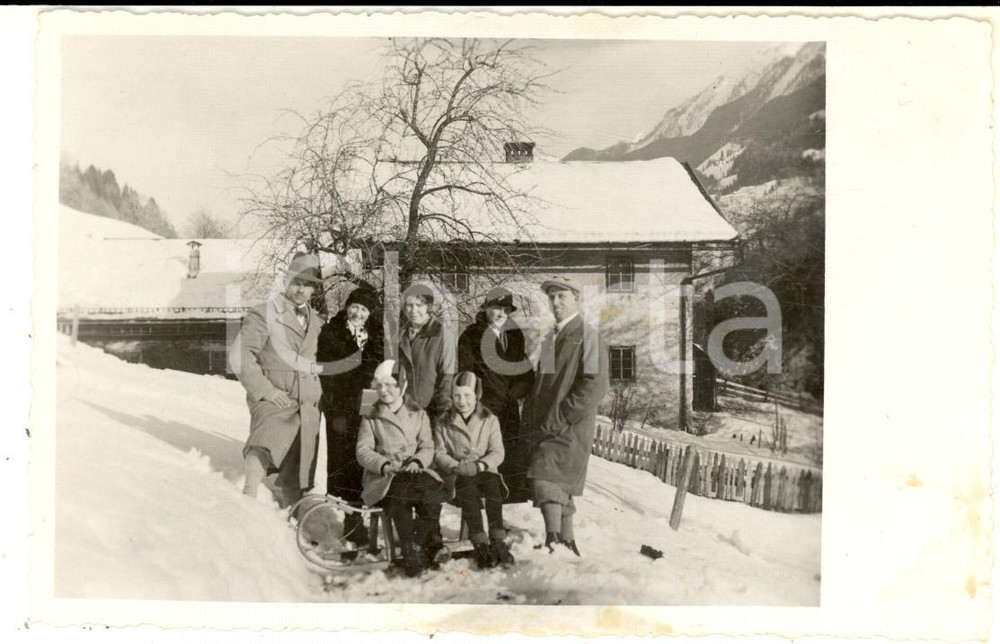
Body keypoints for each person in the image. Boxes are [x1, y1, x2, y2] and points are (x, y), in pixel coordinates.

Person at [522, 276, 609, 556]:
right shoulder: (552, 337)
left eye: (562, 297)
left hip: (569, 425)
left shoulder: (588, 335)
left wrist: (562, 414)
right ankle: (566, 540)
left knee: (545, 475)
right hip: (546, 423)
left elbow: (595, 385)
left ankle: (553, 539)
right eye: (552, 298)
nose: (556, 303)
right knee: (559, 481)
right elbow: (542, 384)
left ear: (575, 299)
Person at [236, 252, 325, 509]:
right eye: (296, 282)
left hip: (307, 403)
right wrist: (264, 391)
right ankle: (246, 501)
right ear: (286, 281)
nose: (301, 289)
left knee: (298, 469)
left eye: (307, 285)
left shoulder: (318, 322)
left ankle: (293, 517)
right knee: (264, 443)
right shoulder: (264, 313)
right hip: (274, 397)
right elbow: (242, 356)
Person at [356, 360, 446, 577]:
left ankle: (422, 544)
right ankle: (410, 552)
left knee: (432, 495)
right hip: (386, 476)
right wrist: (383, 464)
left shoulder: (418, 413)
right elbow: (362, 450)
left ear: (402, 386)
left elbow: (427, 445)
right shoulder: (371, 414)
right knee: (399, 498)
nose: (383, 390)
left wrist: (417, 461)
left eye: (390, 385)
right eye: (379, 386)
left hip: (414, 471)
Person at [316, 285, 382, 545]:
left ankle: (370, 519)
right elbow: (326, 371)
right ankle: (352, 522)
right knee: (345, 463)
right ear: (346, 307)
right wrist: (336, 406)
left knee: (367, 456)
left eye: (364, 309)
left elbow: (381, 369)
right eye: (354, 307)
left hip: (368, 403)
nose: (358, 313)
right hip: (341, 406)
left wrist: (370, 404)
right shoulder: (331, 332)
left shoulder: (376, 335)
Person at [457, 287, 535, 504]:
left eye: (504, 309)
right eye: (495, 308)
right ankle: (476, 520)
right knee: (483, 463)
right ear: (485, 309)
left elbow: (525, 369)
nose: (500, 314)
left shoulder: (514, 334)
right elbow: (465, 372)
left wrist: (518, 389)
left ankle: (500, 515)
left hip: (508, 409)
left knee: (506, 461)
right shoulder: (471, 335)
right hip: (483, 408)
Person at [433, 371, 516, 570]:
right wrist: (456, 466)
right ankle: (479, 543)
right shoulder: (444, 420)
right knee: (467, 485)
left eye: (467, 395)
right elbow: (438, 452)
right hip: (457, 474)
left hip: (484, 471)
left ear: (477, 395)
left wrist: (480, 465)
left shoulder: (489, 419)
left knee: (492, 487)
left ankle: (497, 541)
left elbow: (497, 452)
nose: (462, 401)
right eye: (457, 396)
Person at [398, 283, 456, 419]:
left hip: (430, 411)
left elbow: (446, 378)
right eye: (409, 305)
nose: (413, 310)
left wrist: (442, 413)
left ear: (428, 307)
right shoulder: (400, 336)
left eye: (419, 305)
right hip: (403, 410)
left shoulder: (442, 335)